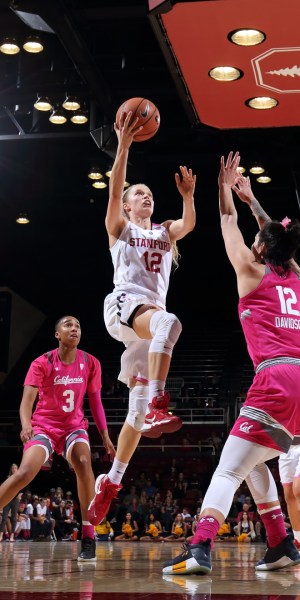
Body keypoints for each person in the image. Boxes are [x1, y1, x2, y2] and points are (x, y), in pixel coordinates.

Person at [162, 150, 300, 575]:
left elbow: (226, 224)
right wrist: (253, 201)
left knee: (227, 468)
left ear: (259, 246)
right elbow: (278, 237)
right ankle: (280, 542)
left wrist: (225, 191)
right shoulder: (293, 274)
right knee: (252, 461)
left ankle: (200, 546)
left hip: (276, 376)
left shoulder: (249, 269)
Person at [87, 108, 196, 526]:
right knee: (170, 324)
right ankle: (158, 402)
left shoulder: (165, 231)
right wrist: (124, 146)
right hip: (125, 306)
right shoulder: (121, 227)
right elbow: (115, 189)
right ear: (128, 207)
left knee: (132, 419)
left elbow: (189, 223)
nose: (145, 197)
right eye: (139, 194)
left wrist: (187, 194)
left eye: (150, 193)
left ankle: (110, 483)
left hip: (145, 326)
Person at [0, 315, 115, 561]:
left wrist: (105, 436)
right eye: (69, 325)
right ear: (57, 334)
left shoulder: (90, 362)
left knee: (84, 464)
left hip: (73, 427)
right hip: (44, 426)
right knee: (24, 473)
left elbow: (95, 402)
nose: (74, 328)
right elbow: (26, 402)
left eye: (78, 326)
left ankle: (88, 535)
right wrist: (26, 425)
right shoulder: (42, 362)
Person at [0, 463, 20, 542]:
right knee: (4, 517)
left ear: (17, 469)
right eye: (13, 468)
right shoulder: (8, 478)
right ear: (11, 470)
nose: (14, 469)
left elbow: (23, 488)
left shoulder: (20, 478)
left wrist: (21, 494)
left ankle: (12, 536)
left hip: (15, 500)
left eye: (15, 468)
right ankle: (1, 535)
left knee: (14, 518)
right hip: (8, 499)